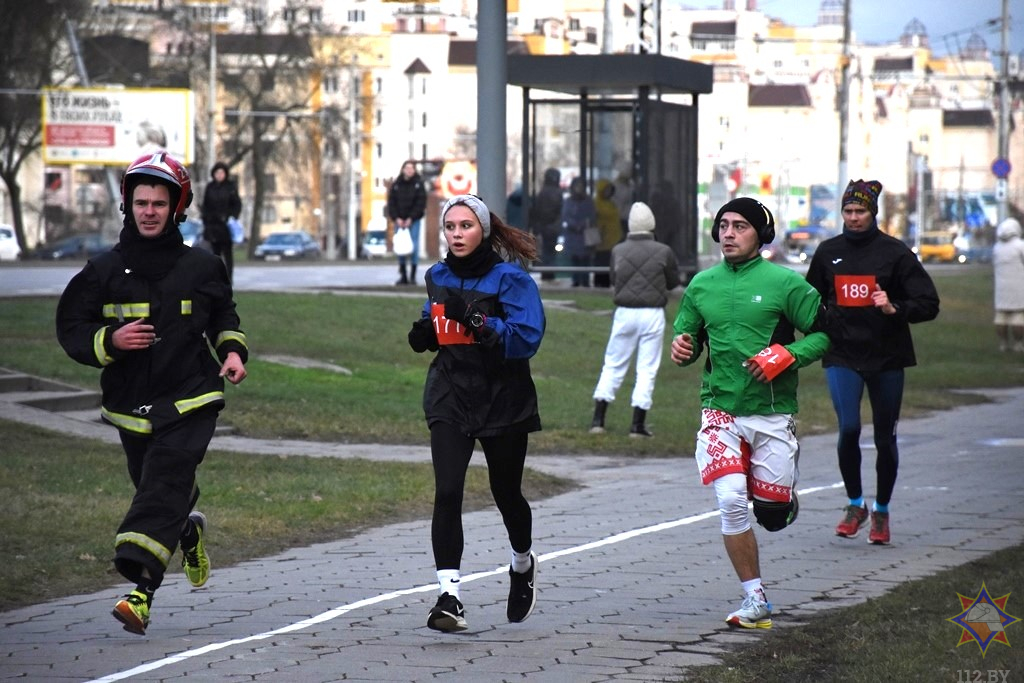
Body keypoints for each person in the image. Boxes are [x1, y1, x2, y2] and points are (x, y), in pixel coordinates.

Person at [56, 151, 248, 636]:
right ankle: (188, 530)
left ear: (177, 207)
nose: (148, 211)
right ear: (128, 204)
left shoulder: (202, 266)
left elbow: (225, 315)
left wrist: (231, 353)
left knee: (164, 481)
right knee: (157, 491)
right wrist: (111, 341)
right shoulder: (103, 270)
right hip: (131, 406)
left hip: (192, 399)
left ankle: (140, 593)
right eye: (140, 202)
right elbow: (72, 326)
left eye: (159, 203)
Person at [670, 197, 830, 629]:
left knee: (771, 517)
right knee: (730, 502)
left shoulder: (786, 283)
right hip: (719, 410)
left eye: (740, 226)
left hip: (772, 413)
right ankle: (754, 599)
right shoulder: (701, 285)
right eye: (723, 225)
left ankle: (782, 502)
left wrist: (788, 355)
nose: (728, 233)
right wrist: (682, 349)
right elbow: (686, 344)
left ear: (760, 234)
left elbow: (826, 335)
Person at [407, 194, 545, 633]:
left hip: (503, 396)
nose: (457, 234)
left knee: (506, 493)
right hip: (450, 395)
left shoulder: (511, 279)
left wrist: (483, 324)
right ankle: (449, 596)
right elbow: (434, 321)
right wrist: (424, 331)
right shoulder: (437, 275)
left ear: (483, 230)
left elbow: (527, 338)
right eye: (450, 227)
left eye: (466, 226)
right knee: (448, 491)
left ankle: (522, 563)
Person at [806, 179, 939, 545]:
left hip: (887, 356)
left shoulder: (895, 253)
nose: (853, 218)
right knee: (848, 428)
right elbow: (809, 302)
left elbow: (929, 304)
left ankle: (881, 510)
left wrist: (894, 307)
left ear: (873, 213)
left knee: (885, 438)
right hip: (843, 355)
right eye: (848, 211)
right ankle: (855, 504)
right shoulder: (827, 251)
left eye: (860, 211)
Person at [590, 201, 680, 437]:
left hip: (624, 312)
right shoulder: (663, 251)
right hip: (652, 313)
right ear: (651, 225)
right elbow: (673, 281)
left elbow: (613, 278)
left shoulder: (618, 250)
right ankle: (637, 425)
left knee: (613, 363)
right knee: (646, 368)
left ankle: (598, 420)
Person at [386, 160, 427, 285]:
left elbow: (420, 203)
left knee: (413, 247)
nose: (409, 170)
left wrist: (411, 218)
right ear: (403, 169)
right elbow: (391, 203)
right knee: (400, 247)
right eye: (407, 168)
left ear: (414, 170)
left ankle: (413, 276)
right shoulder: (396, 185)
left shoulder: (418, 185)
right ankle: (403, 275)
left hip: (413, 221)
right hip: (399, 221)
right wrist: (397, 218)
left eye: (411, 168)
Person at [201, 161, 242, 283]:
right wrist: (206, 219)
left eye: (221, 173)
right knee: (215, 254)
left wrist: (232, 217)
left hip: (226, 225)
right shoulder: (210, 187)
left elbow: (237, 204)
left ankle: (229, 278)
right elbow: (206, 205)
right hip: (213, 225)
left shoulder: (230, 187)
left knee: (228, 254)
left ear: (225, 174)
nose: (219, 175)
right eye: (217, 173)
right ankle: (217, 278)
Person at [992, 217, 1024, 352]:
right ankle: (1018, 344)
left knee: (1001, 317)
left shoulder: (997, 247)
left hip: (1001, 288)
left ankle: (1003, 343)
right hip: (1019, 287)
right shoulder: (1020, 245)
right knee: (1018, 317)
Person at [561, 176, 597, 287]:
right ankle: (576, 280)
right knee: (575, 259)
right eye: (577, 186)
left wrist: (582, 225)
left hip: (585, 235)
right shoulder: (569, 201)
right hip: (572, 235)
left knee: (585, 259)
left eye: (581, 186)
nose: (579, 188)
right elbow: (565, 216)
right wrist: (574, 225)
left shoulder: (588, 201)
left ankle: (585, 280)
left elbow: (592, 216)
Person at [530, 167, 563, 282]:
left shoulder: (543, 192)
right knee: (549, 252)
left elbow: (536, 211)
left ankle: (547, 273)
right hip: (550, 226)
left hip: (545, 226)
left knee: (547, 251)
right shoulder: (555, 192)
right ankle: (549, 273)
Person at [592, 179, 622, 288]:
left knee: (610, 262)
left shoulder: (612, 203)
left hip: (613, 237)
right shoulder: (596, 203)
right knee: (600, 261)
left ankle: (608, 282)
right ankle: (599, 283)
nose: (608, 192)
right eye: (606, 189)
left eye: (610, 190)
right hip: (601, 238)